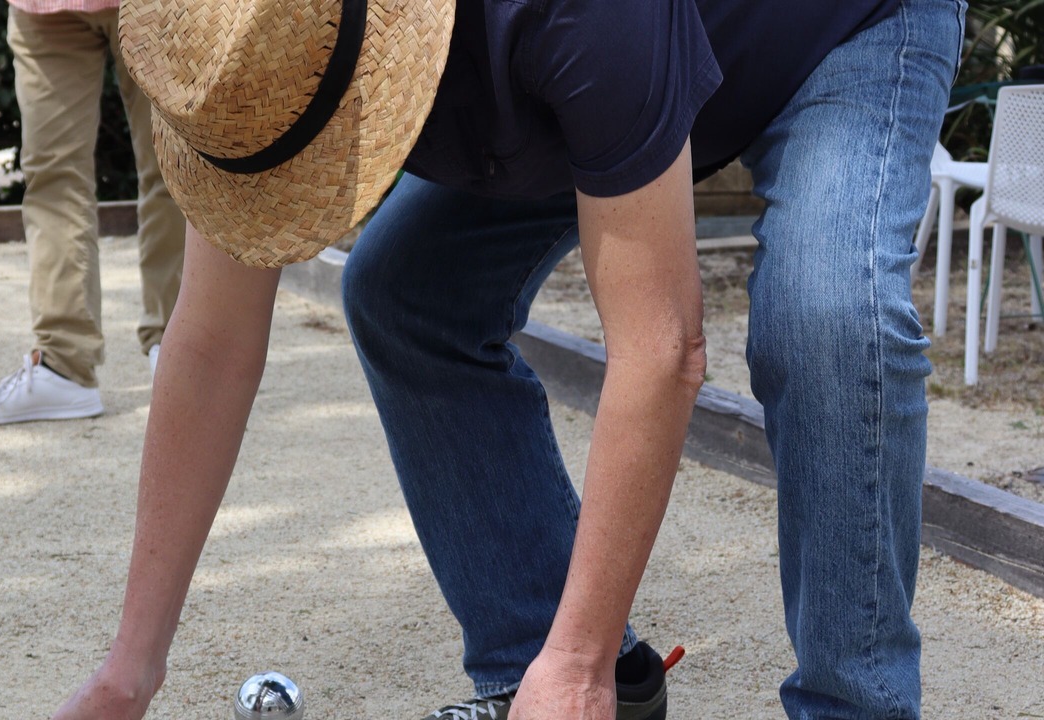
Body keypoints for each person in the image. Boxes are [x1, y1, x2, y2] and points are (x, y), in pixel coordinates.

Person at [52, 0, 964, 718]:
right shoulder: (259, 56)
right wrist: (131, 669)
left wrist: (578, 663)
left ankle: (849, 705)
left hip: (837, 27)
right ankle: (542, 670)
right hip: (613, 75)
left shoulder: (572, 15)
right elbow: (210, 349)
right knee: (406, 292)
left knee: (827, 316)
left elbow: (661, 348)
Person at [0, 0, 185, 426]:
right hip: (42, 9)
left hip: (159, 6)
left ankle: (183, 352)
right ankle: (62, 367)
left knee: (174, 165)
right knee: (51, 177)